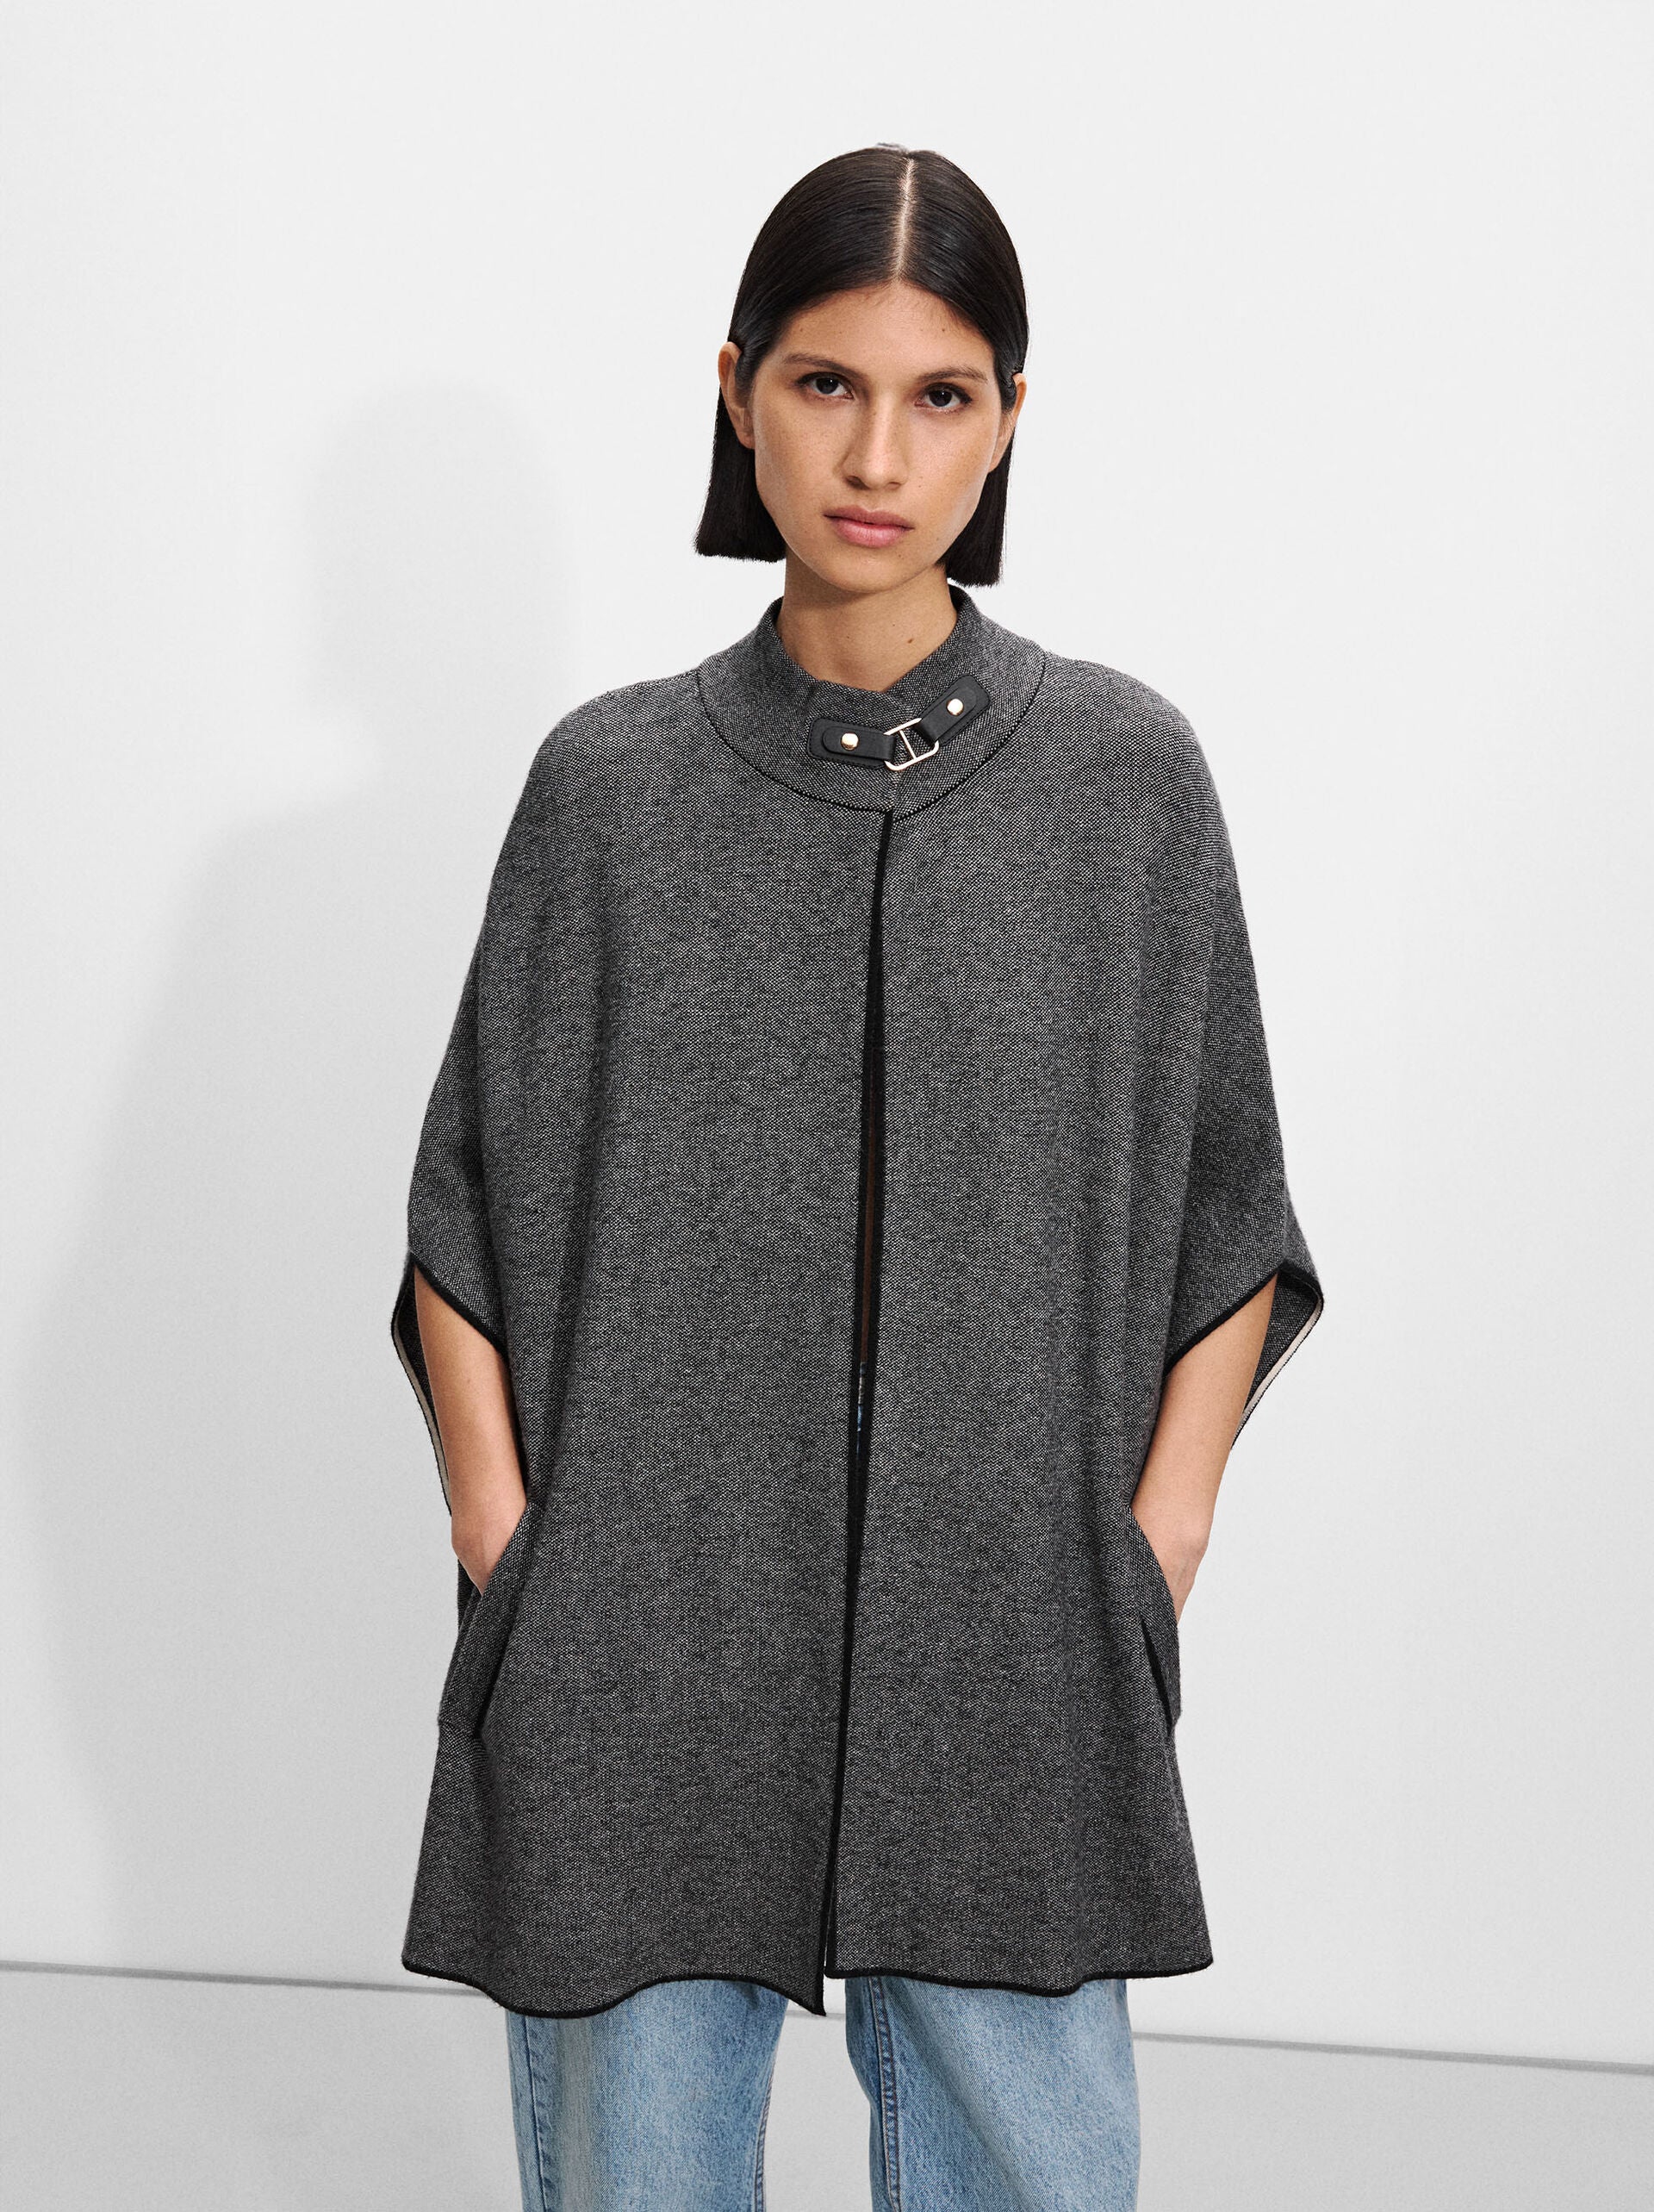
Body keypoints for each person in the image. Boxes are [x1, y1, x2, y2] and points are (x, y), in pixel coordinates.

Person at [391, 143, 1324, 2212]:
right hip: (639, 1625)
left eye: (939, 394)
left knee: (1035, 2170)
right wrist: (508, 1538)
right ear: (739, 393)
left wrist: (1151, 1549)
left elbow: (1230, 1212)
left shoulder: (1124, 782)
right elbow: (468, 1205)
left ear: (1009, 420)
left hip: (1013, 1616)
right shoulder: (610, 787)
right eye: (826, 384)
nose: (878, 455)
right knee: (638, 2174)